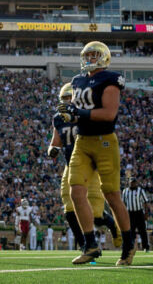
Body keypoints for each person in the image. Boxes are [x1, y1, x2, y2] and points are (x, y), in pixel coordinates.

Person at [58, 41, 135, 265]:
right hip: (82, 141)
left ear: (103, 57)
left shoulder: (110, 79)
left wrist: (78, 111)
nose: (89, 58)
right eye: (87, 55)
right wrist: (68, 114)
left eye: (94, 55)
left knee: (112, 195)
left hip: (104, 142)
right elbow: (75, 114)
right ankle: (90, 244)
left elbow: (109, 114)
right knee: (76, 192)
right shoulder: (77, 81)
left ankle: (128, 244)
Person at [49, 83, 121, 251]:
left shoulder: (86, 115)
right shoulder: (58, 119)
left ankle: (113, 226)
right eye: (64, 99)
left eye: (70, 98)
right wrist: (52, 149)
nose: (67, 102)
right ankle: (86, 245)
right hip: (70, 165)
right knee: (69, 208)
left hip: (90, 165)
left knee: (95, 214)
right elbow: (55, 142)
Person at [122, 177, 149, 252]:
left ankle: (145, 247)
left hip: (139, 212)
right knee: (131, 231)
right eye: (131, 182)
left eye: (134, 182)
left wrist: (146, 213)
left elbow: (145, 202)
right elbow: (123, 203)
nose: (132, 184)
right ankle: (131, 246)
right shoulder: (125, 191)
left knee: (142, 230)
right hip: (130, 213)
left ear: (136, 183)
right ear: (129, 183)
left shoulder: (140, 190)